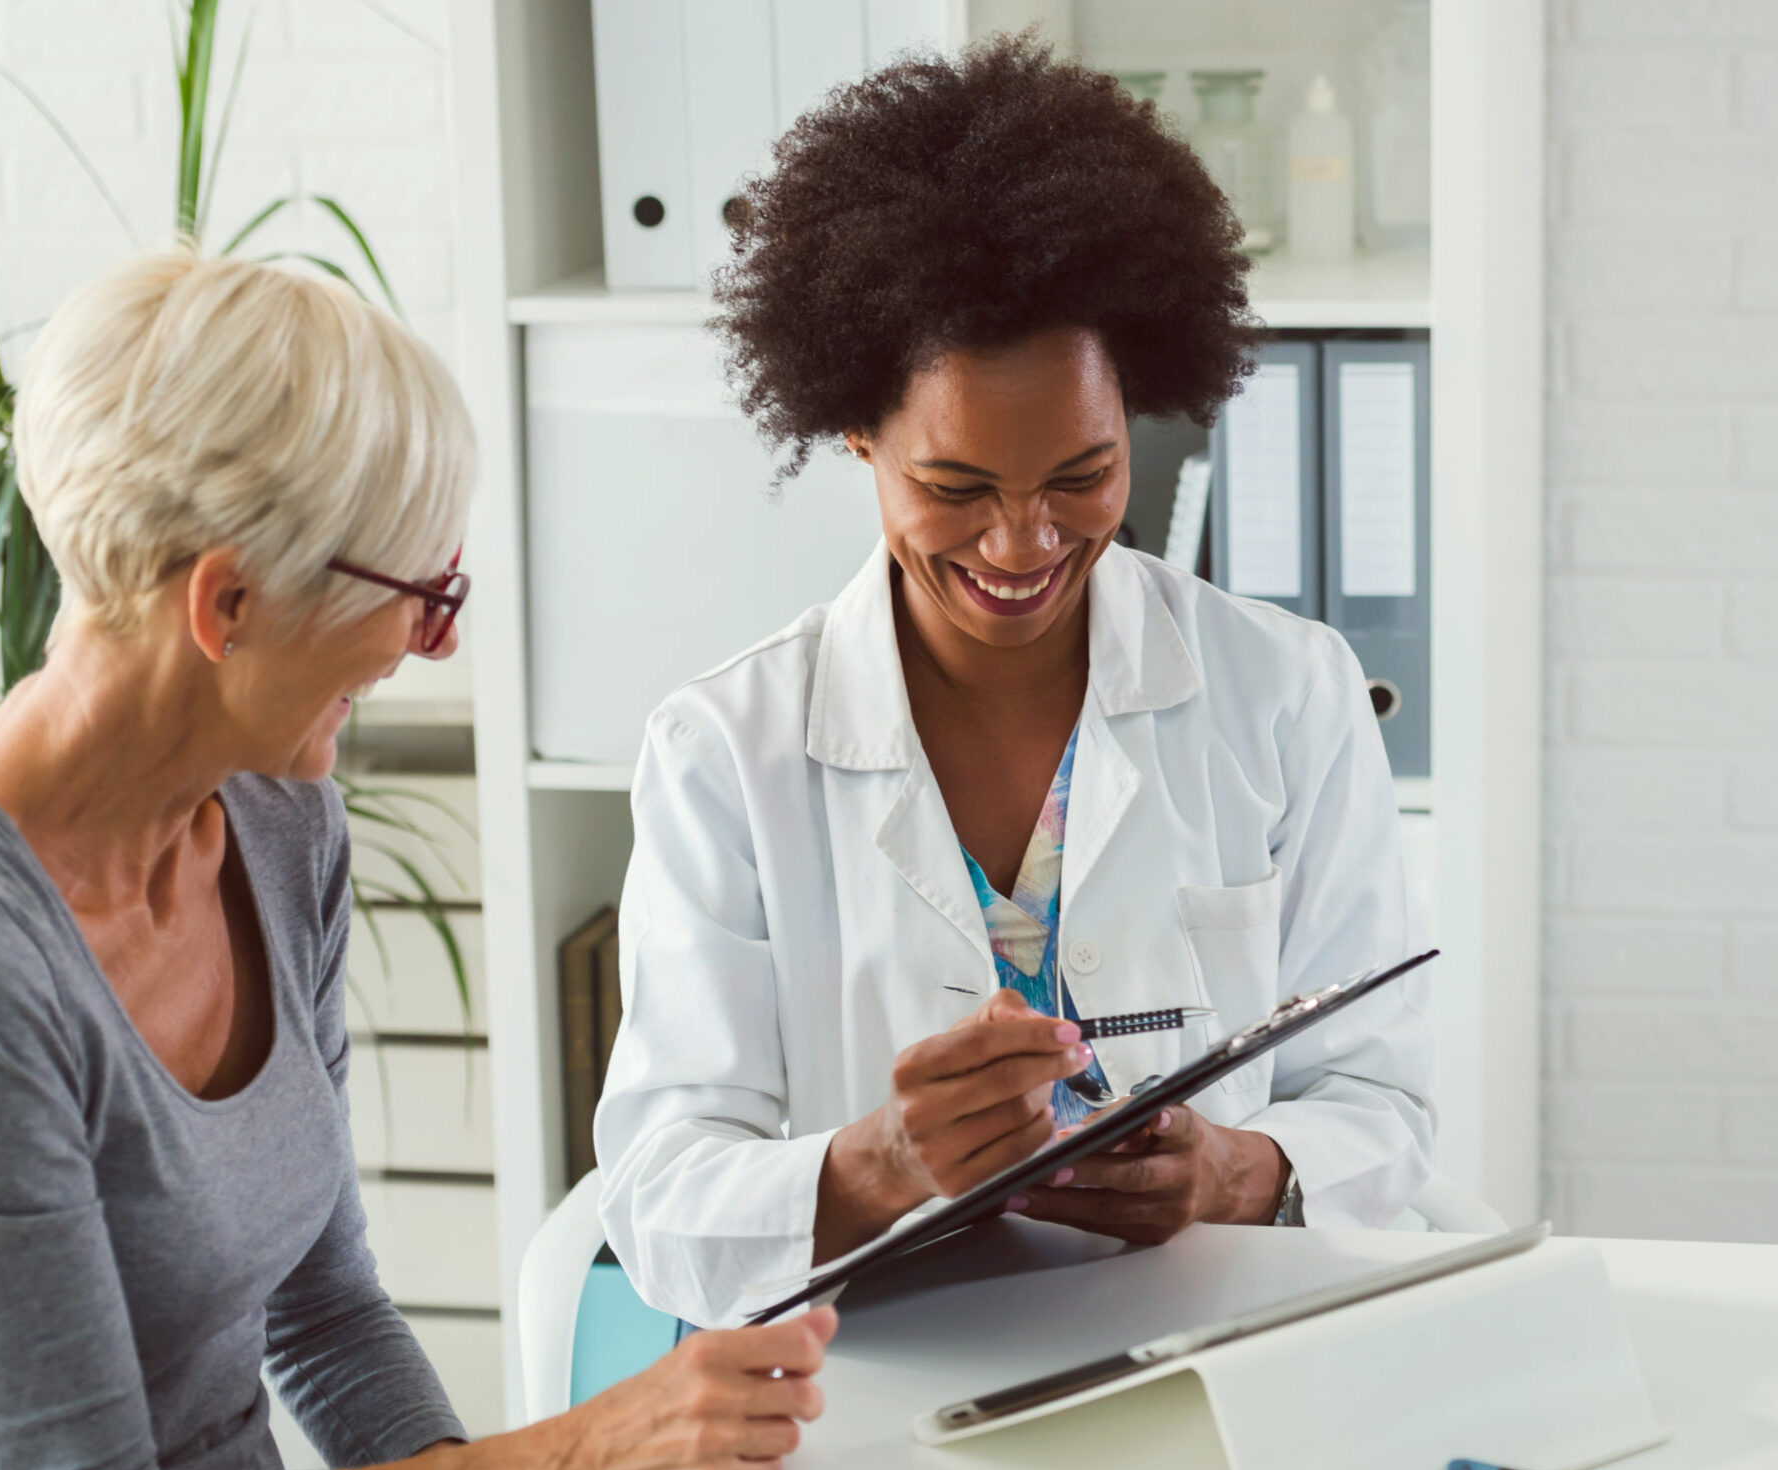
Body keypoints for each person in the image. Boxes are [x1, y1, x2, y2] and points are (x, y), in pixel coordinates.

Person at [0, 249, 835, 1470]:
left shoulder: (274, 820)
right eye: (424, 594)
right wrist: (571, 1463)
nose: (428, 643)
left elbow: (325, 1313)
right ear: (226, 604)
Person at [596, 38, 1431, 1337]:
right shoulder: (726, 751)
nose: (1023, 543)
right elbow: (656, 1197)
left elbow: (1386, 1109)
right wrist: (881, 1162)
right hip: (870, 1394)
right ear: (856, 429)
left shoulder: (1288, 695)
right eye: (958, 489)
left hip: (1218, 1367)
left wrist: (1232, 1171)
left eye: (1081, 475)